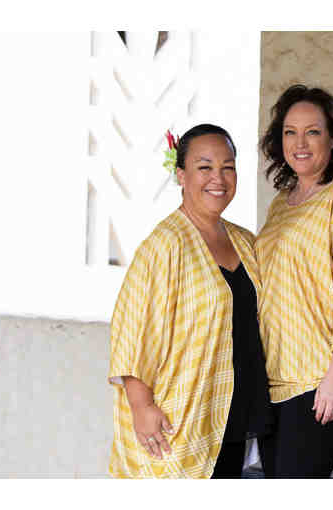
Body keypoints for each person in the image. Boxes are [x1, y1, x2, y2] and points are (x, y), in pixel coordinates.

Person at [108, 124, 273, 478]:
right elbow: (132, 330)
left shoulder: (245, 241)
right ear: (181, 175)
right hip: (179, 417)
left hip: (233, 414)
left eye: (228, 167)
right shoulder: (164, 245)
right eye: (205, 167)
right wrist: (141, 405)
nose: (218, 178)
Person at [254, 84, 333, 478]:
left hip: (320, 378)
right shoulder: (282, 202)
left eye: (313, 131)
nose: (300, 143)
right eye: (290, 132)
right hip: (276, 377)